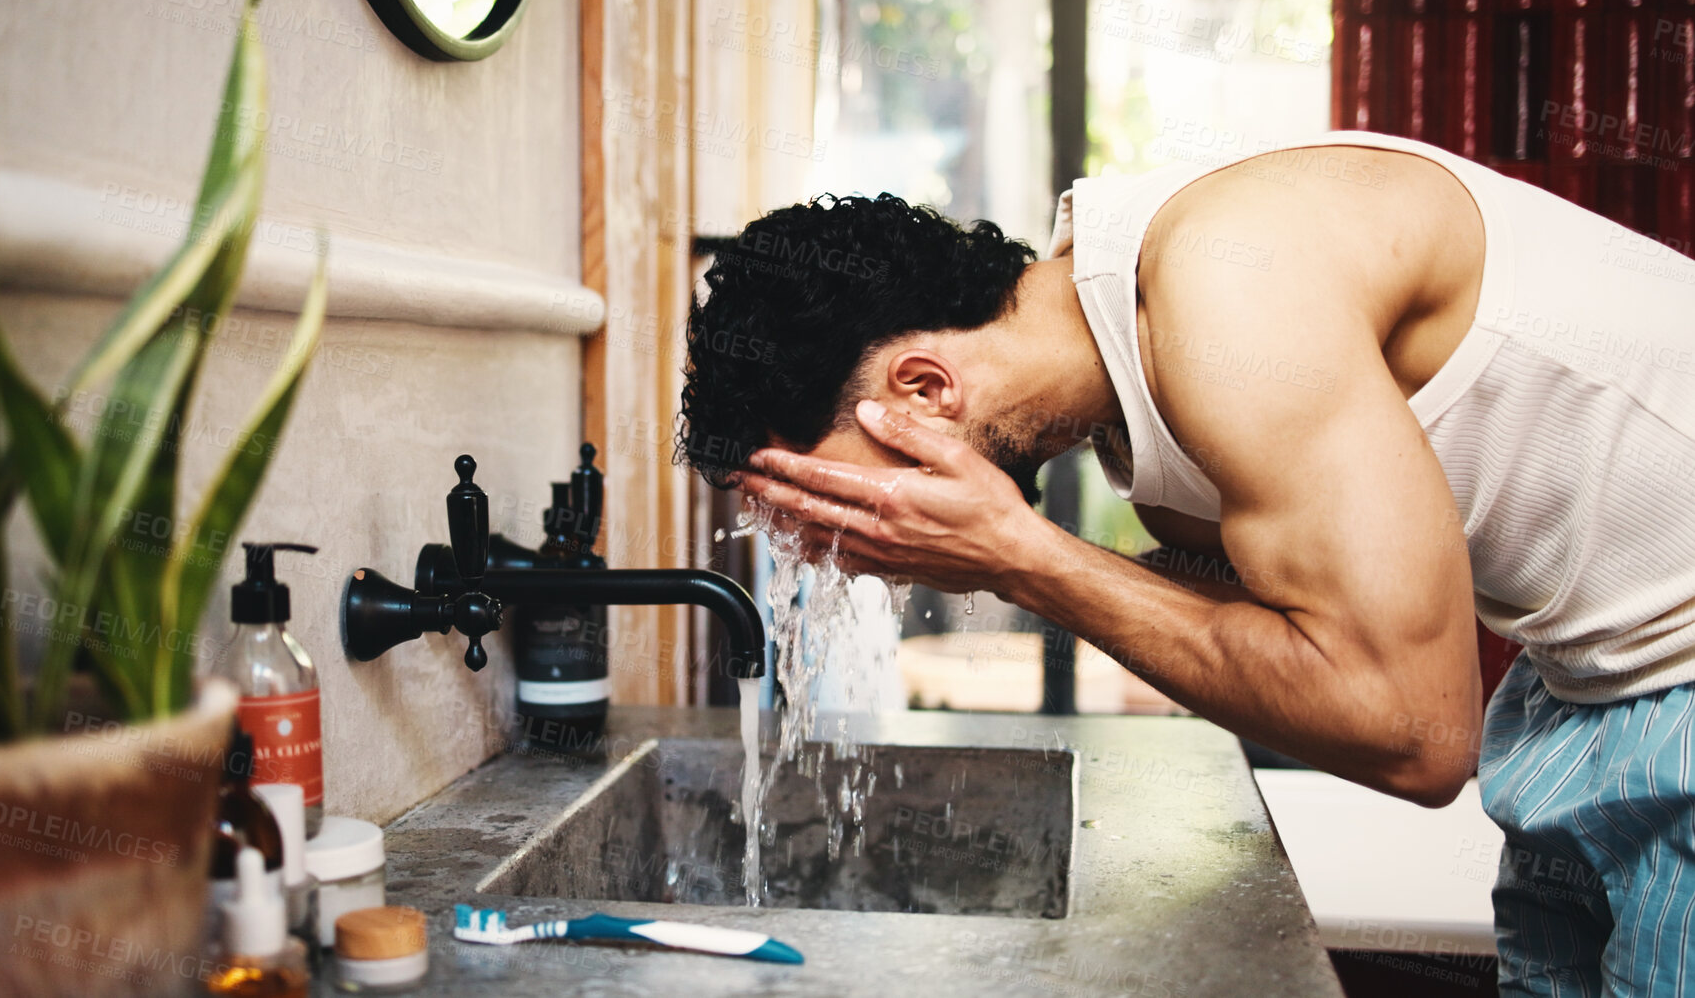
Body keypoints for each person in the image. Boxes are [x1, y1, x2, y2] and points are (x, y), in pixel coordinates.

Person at [679, 130, 1695, 996]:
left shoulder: (1228, 293)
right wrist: (1018, 558)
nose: (848, 554)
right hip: (1585, 693)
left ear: (926, 386)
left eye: (838, 499)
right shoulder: (1134, 381)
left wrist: (1020, 555)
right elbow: (1287, 630)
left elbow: (1418, 733)